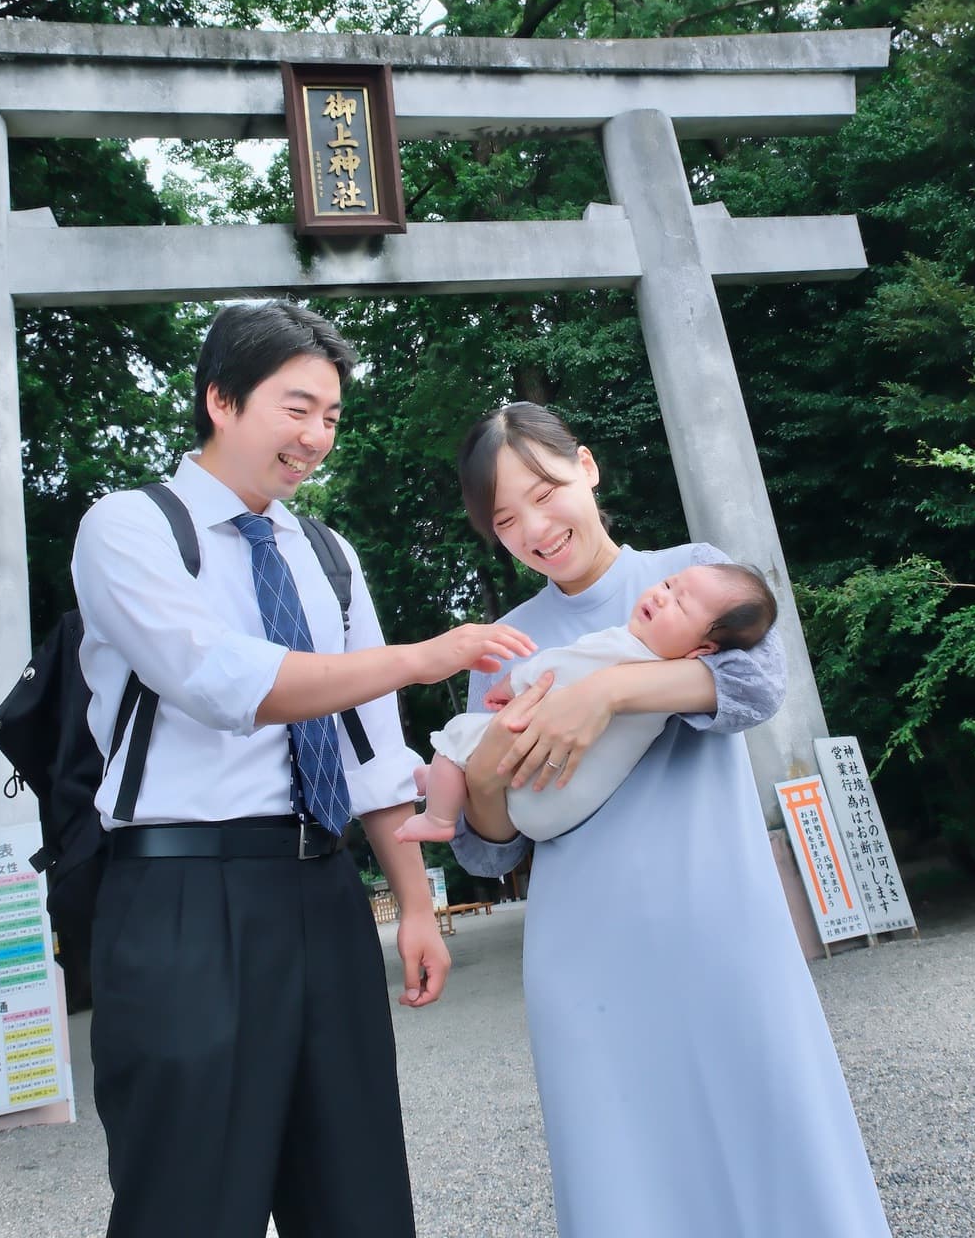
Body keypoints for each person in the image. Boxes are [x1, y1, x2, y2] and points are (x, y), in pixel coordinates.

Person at [70, 301, 535, 1238]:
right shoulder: (130, 527)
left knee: (357, 1189)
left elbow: (369, 743)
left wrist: (413, 905)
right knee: (190, 1198)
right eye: (297, 408)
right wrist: (418, 654)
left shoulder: (325, 555)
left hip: (324, 890)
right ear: (221, 399)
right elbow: (219, 681)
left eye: (330, 415)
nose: (317, 436)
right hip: (183, 897)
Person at [448, 402, 893, 1238]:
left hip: (726, 926)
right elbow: (485, 846)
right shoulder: (502, 644)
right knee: (630, 1184)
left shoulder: (690, 574)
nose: (535, 528)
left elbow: (758, 687)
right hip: (584, 960)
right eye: (505, 519)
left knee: (780, 1153)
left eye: (545, 492)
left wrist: (607, 691)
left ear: (587, 467)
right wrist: (479, 774)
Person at [397, 562, 776, 843]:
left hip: (530, 791)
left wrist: (513, 682)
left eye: (681, 605)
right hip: (558, 811)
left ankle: (439, 817)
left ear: (703, 649)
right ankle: (442, 780)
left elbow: (557, 667)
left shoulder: (625, 648)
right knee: (474, 750)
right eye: (667, 584)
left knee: (458, 735)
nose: (662, 596)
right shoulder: (673, 689)